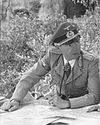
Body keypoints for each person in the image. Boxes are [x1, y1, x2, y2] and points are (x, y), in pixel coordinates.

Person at [1, 22, 100, 112]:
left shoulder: (91, 62)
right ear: (58, 47)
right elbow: (30, 76)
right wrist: (15, 99)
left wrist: (67, 103)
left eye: (77, 41)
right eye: (69, 45)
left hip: (81, 108)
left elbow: (95, 96)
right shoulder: (53, 55)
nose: (75, 47)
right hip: (57, 108)